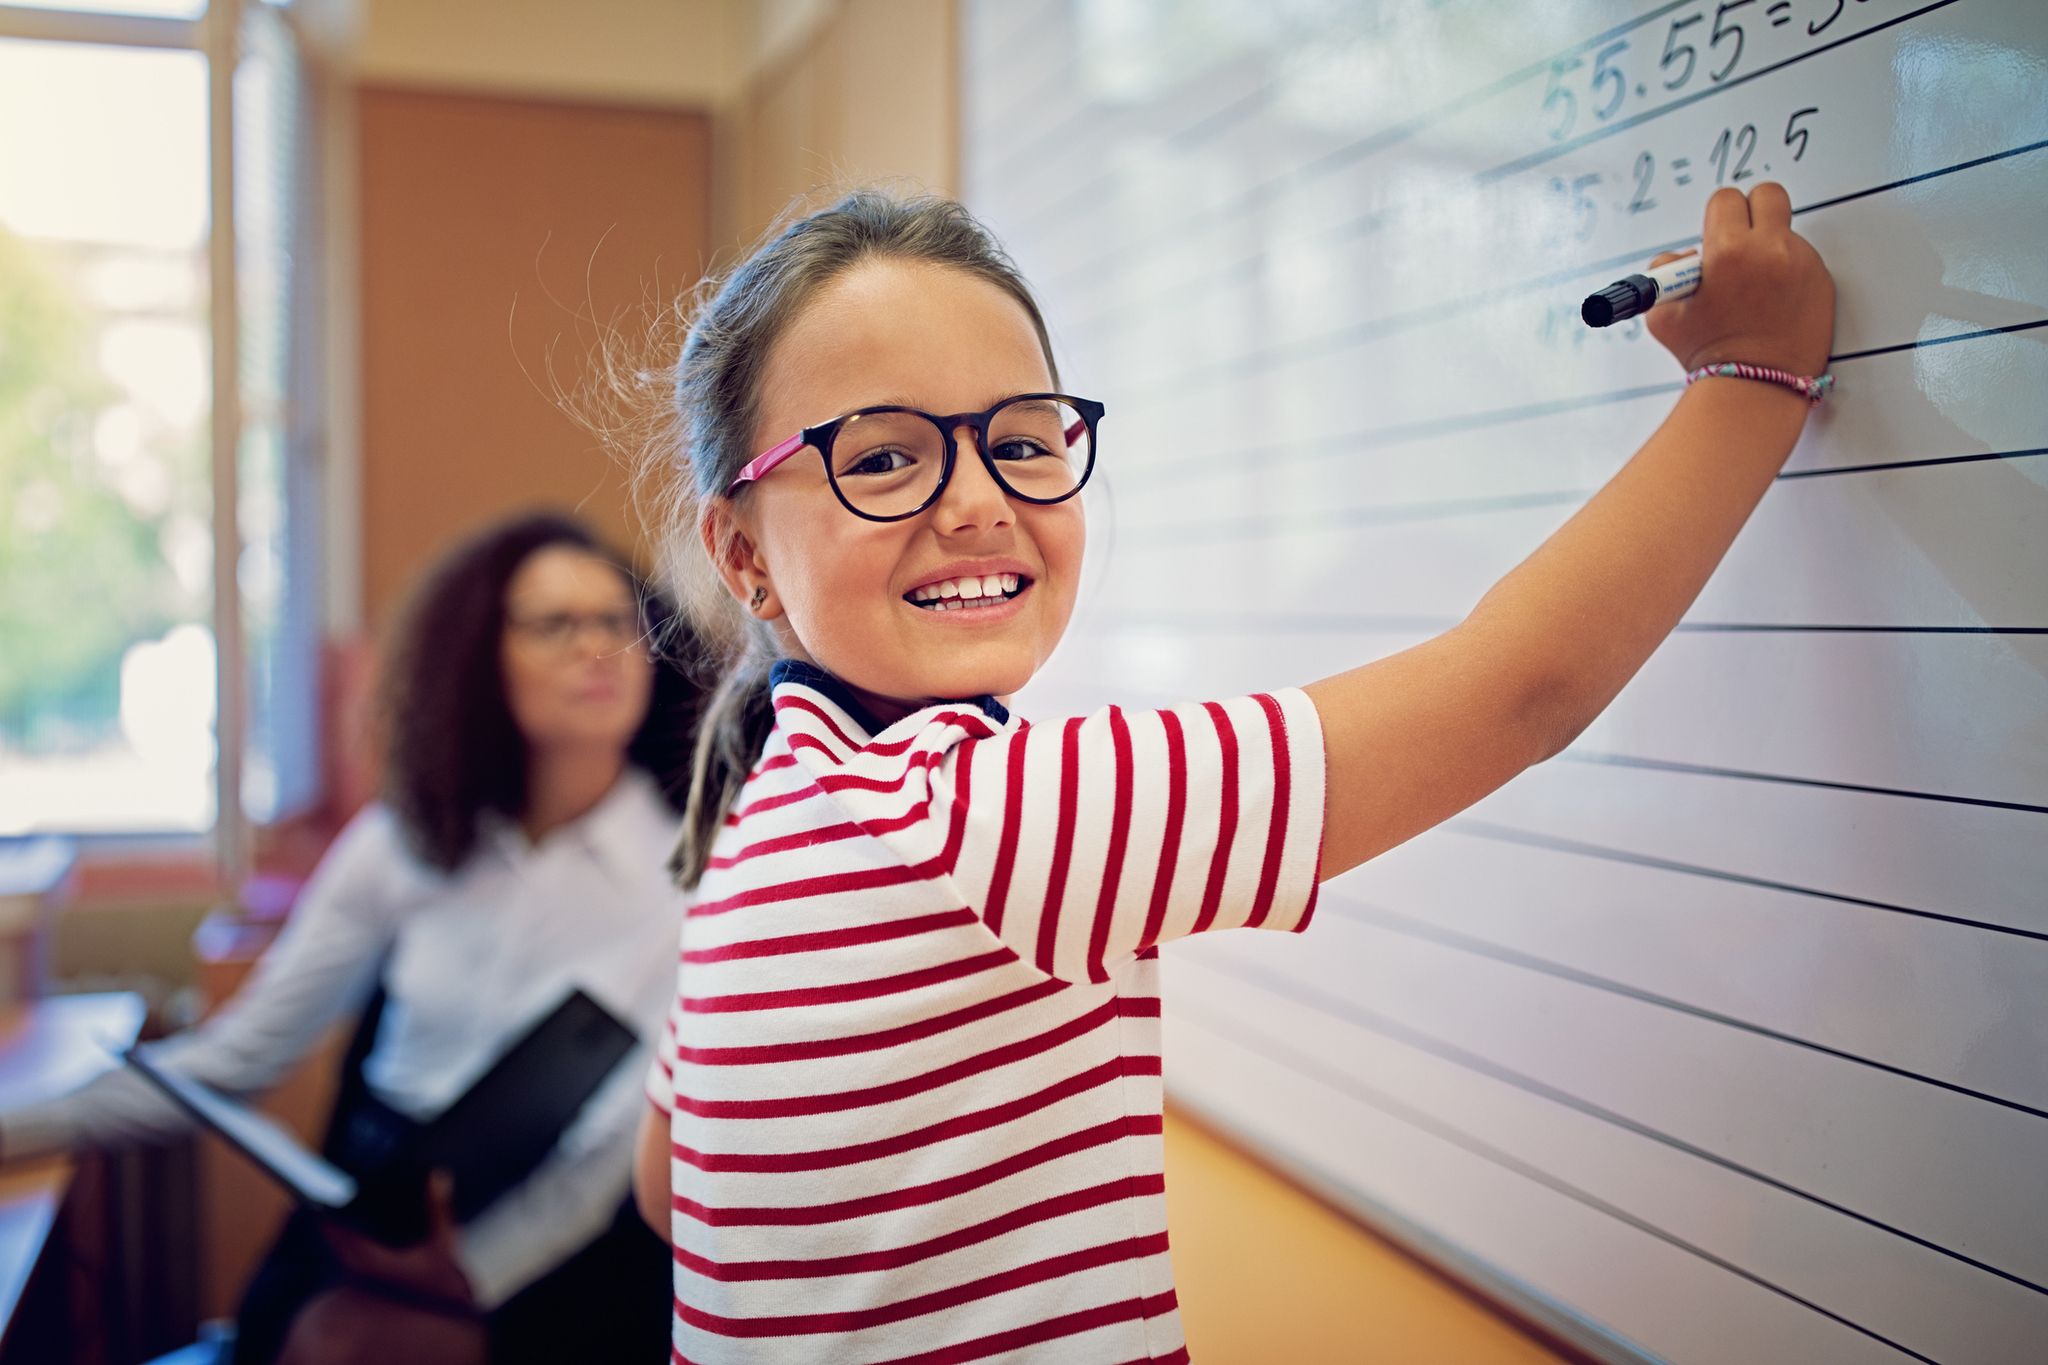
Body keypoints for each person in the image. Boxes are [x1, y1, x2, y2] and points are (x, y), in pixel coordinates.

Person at [626, 187, 1832, 1361]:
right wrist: (1749, 378)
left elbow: (670, 1188)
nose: (978, 500)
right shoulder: (977, 819)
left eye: (1020, 440)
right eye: (883, 459)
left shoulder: (765, 818)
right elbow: (1520, 689)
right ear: (743, 555)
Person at [0, 511, 698, 1364]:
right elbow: (234, 1060)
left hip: (552, 1248)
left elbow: (603, 1166)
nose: (599, 649)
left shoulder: (689, 870)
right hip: (368, 1198)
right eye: (555, 624)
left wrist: (467, 1273)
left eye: (616, 620)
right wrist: (19, 1126)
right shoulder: (402, 841)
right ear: (478, 655)